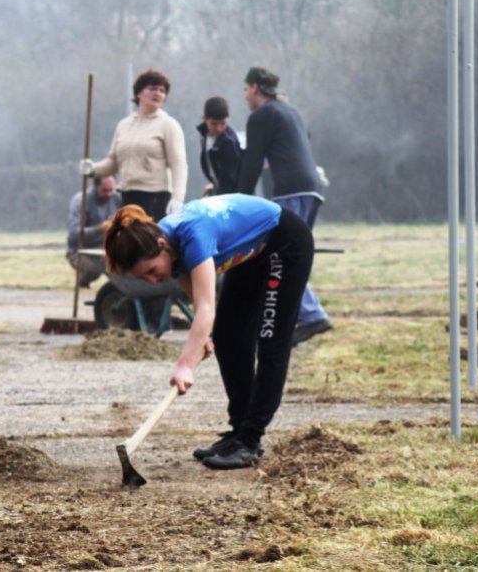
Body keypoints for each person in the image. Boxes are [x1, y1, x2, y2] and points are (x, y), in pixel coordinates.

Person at [103, 195, 314, 469]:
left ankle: (250, 440)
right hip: (251, 255)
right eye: (144, 278)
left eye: (152, 271)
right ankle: (238, 432)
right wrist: (204, 339)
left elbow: (205, 309)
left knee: (271, 340)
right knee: (227, 338)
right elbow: (198, 300)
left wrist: (185, 365)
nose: (153, 280)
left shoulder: (193, 236)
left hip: (283, 241)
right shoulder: (170, 249)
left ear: (162, 245)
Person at [236, 67, 332, 345]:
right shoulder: (291, 112)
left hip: (290, 191)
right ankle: (301, 317)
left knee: (281, 256)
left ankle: (311, 315)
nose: (245, 96)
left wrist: (239, 201)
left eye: (245, 90)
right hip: (313, 188)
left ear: (254, 88)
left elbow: (252, 163)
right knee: (292, 255)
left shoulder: (261, 116)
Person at [80, 68, 187, 222]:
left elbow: (179, 164)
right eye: (152, 88)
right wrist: (92, 169)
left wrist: (177, 198)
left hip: (156, 197)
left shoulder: (168, 125)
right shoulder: (124, 125)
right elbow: (114, 162)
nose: (157, 93)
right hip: (127, 195)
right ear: (138, 93)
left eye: (162, 91)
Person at [66, 175, 122, 287]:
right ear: (95, 186)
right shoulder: (80, 201)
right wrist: (98, 229)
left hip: (106, 247)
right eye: (104, 190)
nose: (109, 194)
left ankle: (116, 289)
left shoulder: (117, 198)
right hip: (81, 250)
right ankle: (83, 281)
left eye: (111, 190)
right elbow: (74, 234)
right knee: (95, 268)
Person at [197, 96, 245, 197]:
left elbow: (229, 179)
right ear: (204, 119)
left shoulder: (228, 143)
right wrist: (214, 184)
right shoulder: (205, 136)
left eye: (223, 123)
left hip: (233, 195)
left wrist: (219, 198)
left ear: (228, 119)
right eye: (214, 124)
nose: (219, 129)